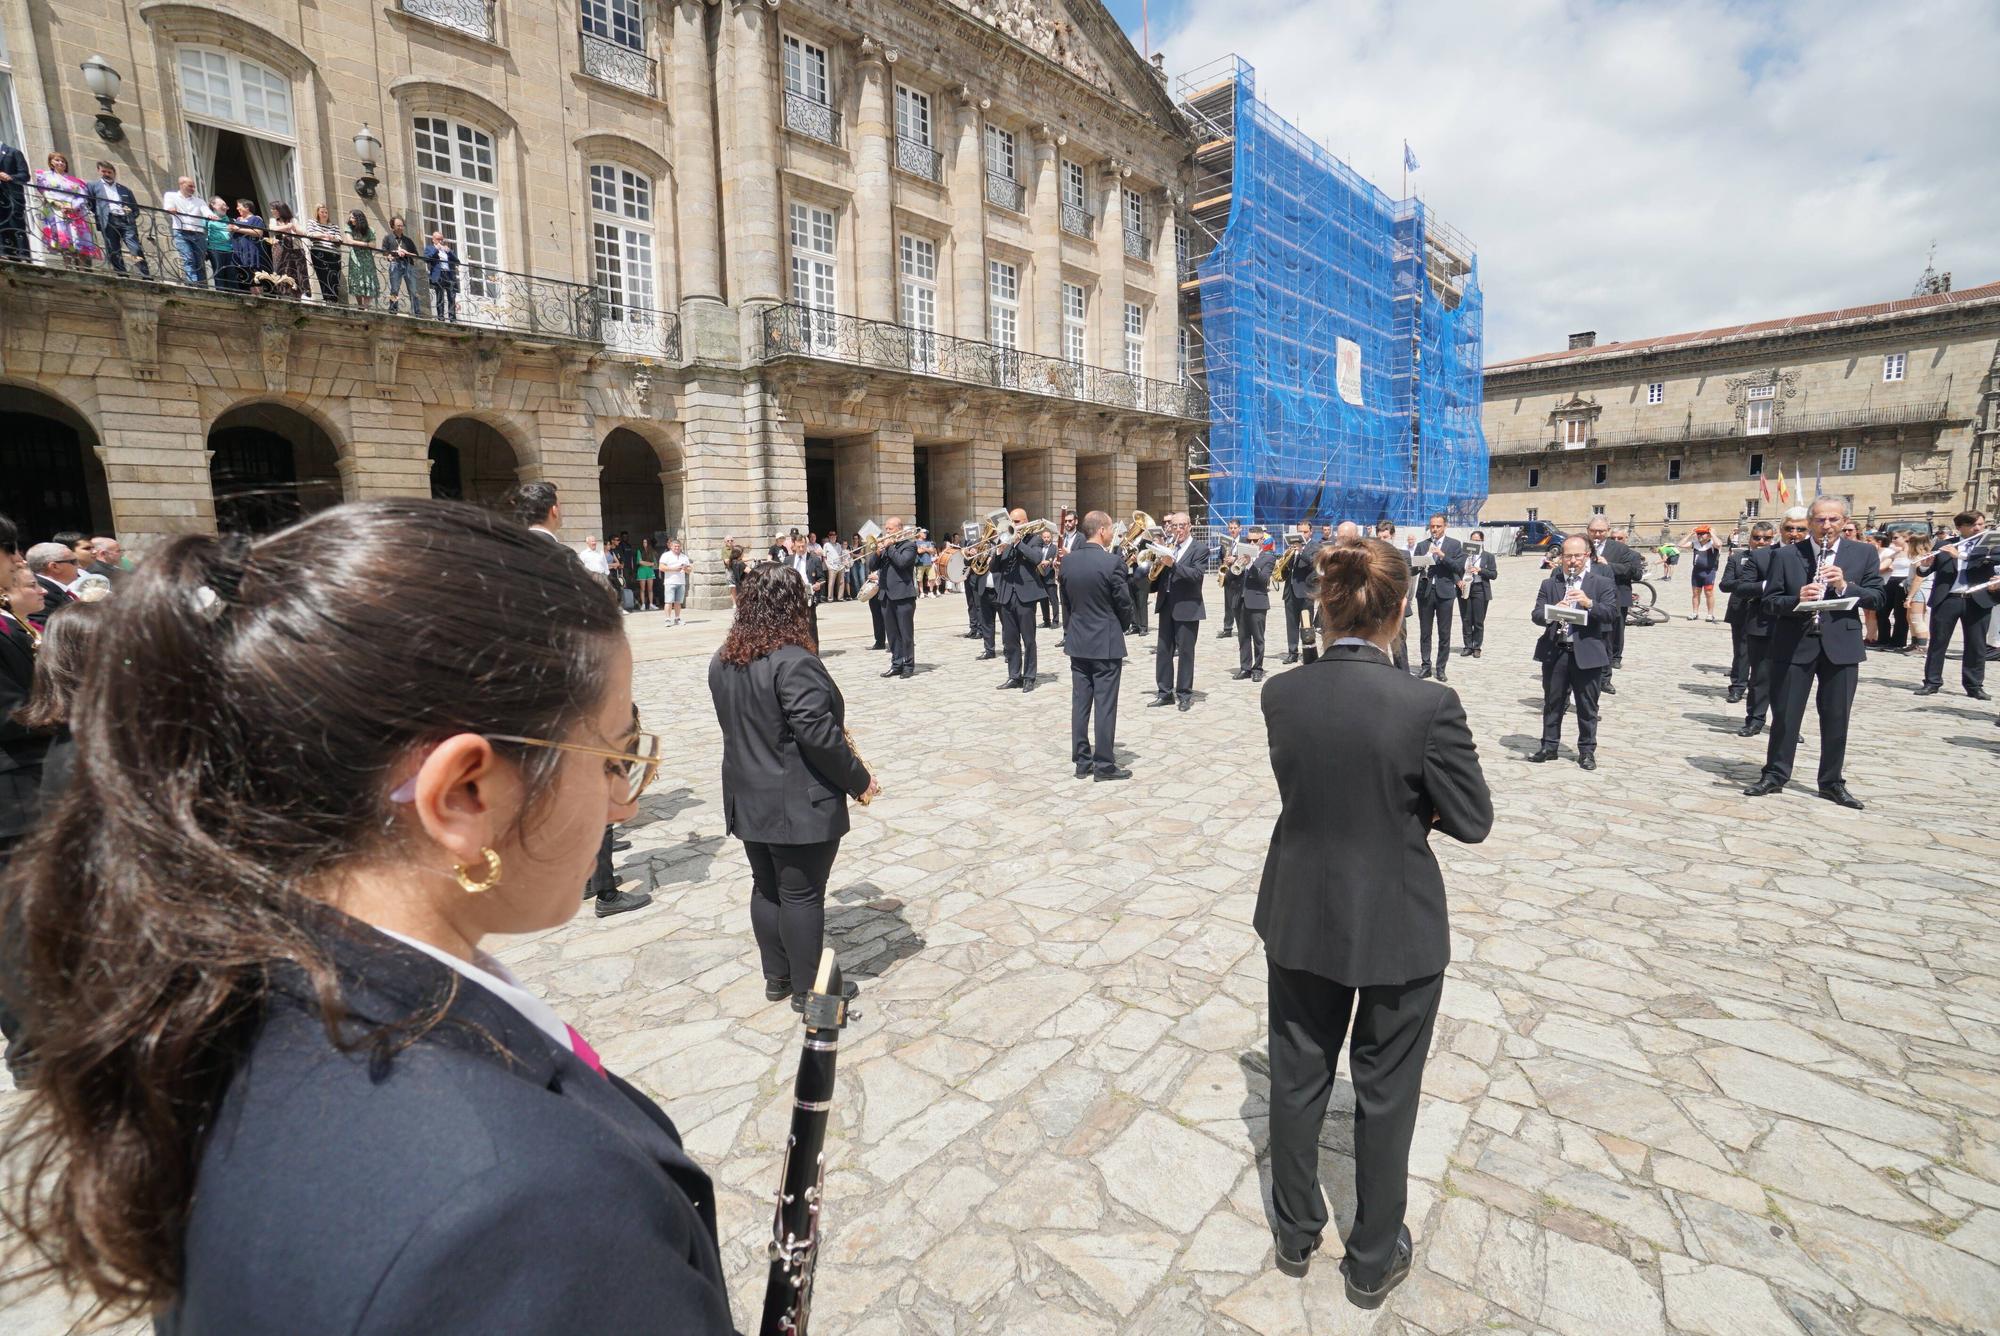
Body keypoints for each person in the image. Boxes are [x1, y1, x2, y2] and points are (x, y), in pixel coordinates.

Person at [0, 500, 735, 1329]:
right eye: (615, 751)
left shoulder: (223, 992)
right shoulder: (526, 1211)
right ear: (464, 794)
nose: (622, 804)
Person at [1255, 536, 1491, 1304]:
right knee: (1386, 1092)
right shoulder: (1428, 704)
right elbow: (1473, 820)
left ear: (1322, 605)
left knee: (1297, 1075)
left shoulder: (1281, 692)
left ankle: (1294, 1233)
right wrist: (1412, 801)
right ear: (1401, 610)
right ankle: (1370, 1258)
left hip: (1300, 907)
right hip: (1395, 919)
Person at [708, 563, 877, 1011]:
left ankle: (777, 977)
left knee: (766, 886)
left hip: (747, 794)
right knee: (801, 894)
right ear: (791, 606)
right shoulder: (794, 661)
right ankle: (808, 991)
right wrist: (859, 779)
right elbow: (818, 735)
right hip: (796, 801)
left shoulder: (723, 658)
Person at [1744, 496, 1885, 808]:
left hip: (1842, 646)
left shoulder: (1862, 553)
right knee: (1785, 715)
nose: (1827, 526)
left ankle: (1831, 782)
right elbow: (1769, 602)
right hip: (1795, 642)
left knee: (1837, 717)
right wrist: (1798, 598)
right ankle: (1775, 774)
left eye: (1833, 520)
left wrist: (1846, 587)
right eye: (1820, 520)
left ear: (1844, 522)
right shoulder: (1786, 555)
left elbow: (1877, 597)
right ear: (1810, 522)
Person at [1530, 536, 1618, 769]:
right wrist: (1552, 611)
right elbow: (1536, 615)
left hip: (1587, 652)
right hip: (1556, 651)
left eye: (1577, 556)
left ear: (1586, 556)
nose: (1572, 561)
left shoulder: (1601, 583)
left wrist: (1589, 603)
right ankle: (1549, 746)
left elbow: (1611, 614)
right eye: (1567, 556)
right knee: (1553, 701)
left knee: (1587, 705)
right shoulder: (1550, 584)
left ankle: (1587, 751)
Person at [1060, 511, 1134, 781]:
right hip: (1106, 641)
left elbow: (1065, 602)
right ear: (1102, 530)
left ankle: (1082, 761)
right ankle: (1104, 765)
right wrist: (1123, 625)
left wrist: (1071, 630)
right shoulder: (1112, 562)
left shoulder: (1067, 563)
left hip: (1078, 641)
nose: (1112, 533)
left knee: (1080, 703)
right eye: (1111, 529)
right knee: (1105, 705)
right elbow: (1123, 602)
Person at [1914, 511, 1996, 700]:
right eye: (1974, 525)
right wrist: (1926, 564)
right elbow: (1924, 571)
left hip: (1977, 599)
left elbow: (1993, 560)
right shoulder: (1944, 544)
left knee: (1976, 645)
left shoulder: (1989, 546)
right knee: (1938, 642)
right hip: (1948, 599)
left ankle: (1974, 685)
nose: (1979, 528)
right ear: (1960, 527)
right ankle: (1932, 682)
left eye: (1981, 524)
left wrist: (1960, 555)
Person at [1720, 519, 1784, 736]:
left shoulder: (1780, 557)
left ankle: (1783, 721)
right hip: (1741, 610)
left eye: (1766, 538)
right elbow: (1725, 584)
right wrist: (1748, 583)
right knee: (1742, 653)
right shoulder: (1738, 558)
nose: (1761, 542)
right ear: (1750, 538)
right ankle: (1738, 687)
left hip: (1770, 615)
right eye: (1757, 538)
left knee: (1774, 669)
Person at [1148, 512, 1207, 712]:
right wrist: (1154, 569)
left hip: (1188, 607)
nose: (1178, 530)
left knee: (1185, 653)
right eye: (1175, 526)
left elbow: (1196, 575)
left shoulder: (1200, 548)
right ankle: (1164, 693)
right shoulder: (1169, 546)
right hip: (1166, 605)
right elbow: (1161, 576)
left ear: (1190, 526)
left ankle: (1184, 695)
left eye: (1182, 526)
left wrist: (1173, 564)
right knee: (1164, 651)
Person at [1583, 516, 1643, 691]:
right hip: (1584, 597)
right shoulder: (1581, 545)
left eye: (1601, 531)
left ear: (1607, 531)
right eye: (1594, 531)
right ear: (1588, 530)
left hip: (1611, 599)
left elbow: (1632, 570)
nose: (1597, 534)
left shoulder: (1620, 549)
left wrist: (1609, 565)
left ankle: (1604, 678)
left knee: (1607, 640)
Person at [994, 507, 1048, 692]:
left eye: (1016, 522)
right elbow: (995, 568)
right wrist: (998, 552)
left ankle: (1030, 677)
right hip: (1007, 595)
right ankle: (1014, 676)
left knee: (1029, 639)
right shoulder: (1005, 540)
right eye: (1012, 521)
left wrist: (1017, 543)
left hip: (1026, 595)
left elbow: (1036, 558)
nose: (1013, 525)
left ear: (1025, 522)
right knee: (1010, 640)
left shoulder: (1035, 539)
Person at [1410, 514, 1463, 682]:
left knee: (1444, 632)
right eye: (1432, 526)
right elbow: (1412, 571)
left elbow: (1458, 567)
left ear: (1445, 526)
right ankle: (1426, 666)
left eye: (1438, 526)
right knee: (1425, 632)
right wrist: (1420, 563)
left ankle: (1441, 668)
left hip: (1445, 593)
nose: (1435, 529)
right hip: (1425, 592)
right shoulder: (1422, 545)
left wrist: (1441, 555)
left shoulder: (1454, 545)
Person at [85, 162, 151, 278]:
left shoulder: (124, 189)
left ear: (114, 173)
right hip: (108, 220)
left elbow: (134, 208)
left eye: (109, 172)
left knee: (135, 248)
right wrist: (100, 215)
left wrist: (129, 217)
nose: (106, 174)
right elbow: (90, 203)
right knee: (113, 249)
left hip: (125, 221)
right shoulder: (93, 186)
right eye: (104, 171)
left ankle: (145, 274)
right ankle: (122, 274)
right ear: (99, 171)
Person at [34, 153, 99, 269]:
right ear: (51, 163)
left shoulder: (75, 181)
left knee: (78, 238)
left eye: (63, 161)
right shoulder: (46, 176)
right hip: (57, 210)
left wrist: (73, 207)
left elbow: (82, 196)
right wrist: (56, 203)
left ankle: (82, 268)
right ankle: (68, 266)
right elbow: (45, 191)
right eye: (57, 160)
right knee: (64, 239)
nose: (60, 163)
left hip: (75, 211)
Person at [871, 519, 918, 678]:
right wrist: (877, 552)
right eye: (886, 529)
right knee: (892, 633)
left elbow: (902, 563)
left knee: (906, 633)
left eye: (890, 529)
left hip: (903, 595)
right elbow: (872, 566)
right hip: (886, 595)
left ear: (899, 529)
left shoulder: (909, 546)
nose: (887, 532)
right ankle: (896, 664)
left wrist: (889, 546)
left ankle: (908, 666)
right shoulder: (885, 546)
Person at [1232, 528, 1276, 682]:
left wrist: (1250, 564)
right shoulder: (1241, 555)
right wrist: (1232, 564)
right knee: (1243, 637)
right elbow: (1232, 576)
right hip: (1240, 601)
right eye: (1248, 540)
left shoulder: (1269, 557)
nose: (1251, 543)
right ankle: (1245, 668)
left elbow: (1264, 580)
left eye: (1254, 540)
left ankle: (1257, 668)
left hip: (1257, 602)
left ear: (1262, 541)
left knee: (1258, 638)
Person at [161, 176, 214, 285]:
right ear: (181, 184)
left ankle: (202, 286)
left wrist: (211, 215)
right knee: (188, 258)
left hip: (198, 233)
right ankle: (193, 284)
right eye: (190, 186)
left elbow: (206, 211)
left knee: (200, 261)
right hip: (181, 231)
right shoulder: (171, 195)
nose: (193, 189)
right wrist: (171, 209)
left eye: (194, 187)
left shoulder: (199, 201)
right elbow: (168, 207)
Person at [1280, 522, 1320, 663]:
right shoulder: (1293, 547)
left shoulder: (1315, 546)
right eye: (1299, 531)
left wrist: (1301, 551)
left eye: (1304, 531)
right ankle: (1293, 652)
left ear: (1310, 532)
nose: (1302, 534)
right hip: (1290, 590)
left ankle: (1308, 651)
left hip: (1306, 591)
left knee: (1306, 624)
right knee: (1291, 623)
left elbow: (1313, 562)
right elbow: (1288, 567)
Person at [1457, 530, 1497, 657]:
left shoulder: (1488, 556)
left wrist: (1480, 570)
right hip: (1465, 588)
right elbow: (1456, 570)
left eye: (1477, 540)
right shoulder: (1463, 555)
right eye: (1473, 540)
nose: (1475, 542)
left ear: (1482, 541)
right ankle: (1468, 645)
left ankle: (1477, 646)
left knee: (1478, 620)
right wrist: (1458, 581)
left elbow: (1493, 574)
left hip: (1480, 589)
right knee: (1466, 618)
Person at [266, 203, 311, 298]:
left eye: (273, 209)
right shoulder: (273, 220)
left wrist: (294, 228)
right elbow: (273, 228)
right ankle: (283, 294)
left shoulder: (293, 220)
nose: (271, 211)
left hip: (295, 249)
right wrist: (288, 227)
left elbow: (303, 232)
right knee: (281, 270)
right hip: (280, 249)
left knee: (297, 271)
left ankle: (300, 295)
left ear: (280, 210)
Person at [1880, 531, 1913, 651]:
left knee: (1900, 614)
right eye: (1892, 538)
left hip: (1904, 581)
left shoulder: (1913, 552)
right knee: (1882, 611)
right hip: (1890, 580)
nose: (1893, 540)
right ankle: (1883, 638)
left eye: (1896, 538)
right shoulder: (1895, 552)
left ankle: (1898, 641)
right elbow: (1884, 564)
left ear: (1906, 538)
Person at [306, 204, 345, 304]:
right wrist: (325, 235)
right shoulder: (312, 223)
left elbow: (340, 240)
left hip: (333, 253)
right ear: (318, 213)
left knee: (334, 276)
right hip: (319, 251)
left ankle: (333, 300)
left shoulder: (334, 226)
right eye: (322, 212)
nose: (324, 214)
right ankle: (327, 299)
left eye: (326, 212)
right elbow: (310, 234)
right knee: (323, 274)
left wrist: (332, 238)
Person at [382, 216, 420, 314]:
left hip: (408, 264)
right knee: (394, 289)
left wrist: (405, 252)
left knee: (413, 290)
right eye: (398, 226)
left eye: (402, 226)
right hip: (395, 263)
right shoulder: (388, 238)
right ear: (392, 226)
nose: (400, 228)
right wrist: (392, 254)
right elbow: (385, 252)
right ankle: (393, 310)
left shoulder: (408, 240)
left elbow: (416, 254)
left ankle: (416, 312)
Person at [227, 200, 267, 290]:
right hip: (238, 253)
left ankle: (258, 299)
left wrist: (238, 229)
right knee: (241, 277)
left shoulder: (256, 219)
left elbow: (259, 232)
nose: (237, 208)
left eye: (239, 206)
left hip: (250, 251)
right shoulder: (237, 220)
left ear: (247, 207)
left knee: (254, 277)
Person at [343, 211, 380, 309]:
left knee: (369, 280)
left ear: (359, 218)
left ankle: (365, 306)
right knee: (356, 280)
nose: (351, 220)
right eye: (350, 217)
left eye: (353, 217)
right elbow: (349, 241)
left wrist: (360, 243)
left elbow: (374, 245)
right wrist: (366, 244)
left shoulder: (369, 230)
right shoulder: (349, 228)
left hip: (367, 259)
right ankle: (360, 306)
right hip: (355, 257)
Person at [0, 137, 28, 263]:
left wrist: (10, 177)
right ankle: (3, 253)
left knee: (17, 227)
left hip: (13, 197)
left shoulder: (13, 152)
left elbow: (25, 175)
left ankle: (24, 256)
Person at [1686, 526, 1720, 620]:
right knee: (1695, 593)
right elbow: (1681, 544)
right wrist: (1690, 533)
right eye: (1698, 533)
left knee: (1709, 593)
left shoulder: (1712, 543)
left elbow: (1719, 544)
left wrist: (1712, 533)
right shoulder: (1695, 544)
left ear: (1708, 535)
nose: (1699, 535)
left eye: (1702, 533)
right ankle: (1694, 613)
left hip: (1709, 572)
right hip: (1696, 572)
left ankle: (1710, 614)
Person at [203, 196, 238, 291]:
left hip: (230, 250)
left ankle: (235, 298)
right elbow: (202, 233)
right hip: (215, 250)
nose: (225, 207)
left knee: (232, 276)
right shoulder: (207, 219)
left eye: (225, 205)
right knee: (219, 275)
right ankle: (222, 294)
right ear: (213, 205)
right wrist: (204, 249)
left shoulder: (231, 220)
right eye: (222, 205)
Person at [425, 231, 460, 322]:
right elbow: (426, 258)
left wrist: (449, 252)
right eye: (438, 239)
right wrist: (436, 249)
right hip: (439, 275)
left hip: (449, 274)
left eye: (441, 239)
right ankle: (441, 317)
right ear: (433, 240)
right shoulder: (430, 248)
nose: (440, 241)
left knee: (451, 297)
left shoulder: (447, 250)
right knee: (440, 297)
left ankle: (452, 318)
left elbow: (457, 261)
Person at [1906, 533, 1933, 650]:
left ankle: (1922, 646)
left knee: (1916, 618)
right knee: (1910, 617)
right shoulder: (1921, 556)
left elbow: (1918, 578)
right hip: (1915, 589)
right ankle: (1915, 643)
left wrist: (1910, 597)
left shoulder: (1920, 558)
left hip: (1919, 590)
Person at [659, 539, 691, 625]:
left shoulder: (684, 557)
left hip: (681, 582)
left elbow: (690, 570)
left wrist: (685, 568)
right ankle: (667, 619)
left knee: (678, 602)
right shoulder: (666, 555)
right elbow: (661, 568)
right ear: (671, 547)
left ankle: (677, 619)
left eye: (678, 546)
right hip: (670, 582)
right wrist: (674, 569)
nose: (677, 548)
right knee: (669, 601)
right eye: (675, 546)